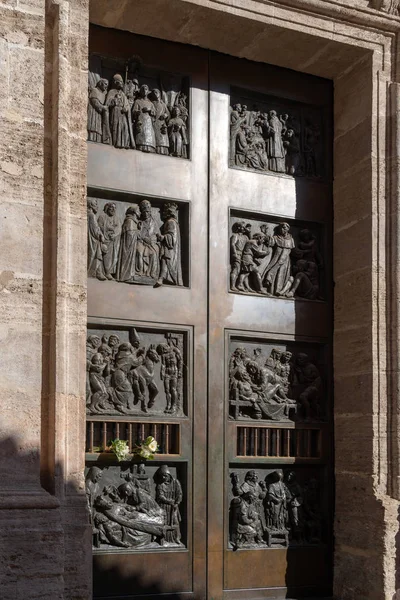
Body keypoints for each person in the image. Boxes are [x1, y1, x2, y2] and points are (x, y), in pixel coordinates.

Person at [263, 222, 295, 296]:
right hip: (276, 257)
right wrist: (265, 233)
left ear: (288, 229)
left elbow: (293, 250)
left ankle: (280, 291)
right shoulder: (276, 237)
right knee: (274, 271)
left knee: (282, 274)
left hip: (285, 260)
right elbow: (270, 242)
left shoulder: (291, 239)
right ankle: (271, 290)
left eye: (284, 227)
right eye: (281, 228)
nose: (282, 229)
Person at [155, 202, 182, 287]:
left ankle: (162, 278)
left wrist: (163, 237)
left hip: (170, 248)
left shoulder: (171, 222)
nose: (162, 214)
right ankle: (162, 277)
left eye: (164, 211)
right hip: (167, 247)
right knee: (164, 260)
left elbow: (172, 237)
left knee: (165, 260)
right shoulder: (171, 222)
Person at [155, 465, 183, 545]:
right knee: (164, 523)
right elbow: (160, 496)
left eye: (165, 475)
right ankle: (163, 539)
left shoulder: (175, 482)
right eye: (162, 476)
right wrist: (169, 501)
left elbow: (179, 494)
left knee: (175, 522)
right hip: (164, 507)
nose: (164, 477)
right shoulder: (160, 485)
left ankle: (176, 538)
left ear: (169, 475)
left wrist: (176, 503)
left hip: (173, 507)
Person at [106, 73, 135, 149]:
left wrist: (126, 108)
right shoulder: (111, 92)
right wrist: (115, 99)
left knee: (124, 127)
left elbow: (127, 105)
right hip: (115, 112)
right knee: (116, 127)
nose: (122, 84)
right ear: (115, 82)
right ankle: (116, 142)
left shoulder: (123, 94)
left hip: (123, 114)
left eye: (122, 82)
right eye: (120, 82)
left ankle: (124, 143)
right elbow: (107, 104)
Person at [116, 205, 141, 283]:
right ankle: (125, 276)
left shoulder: (133, 221)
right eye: (138, 210)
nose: (140, 212)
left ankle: (130, 275)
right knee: (127, 259)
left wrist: (138, 228)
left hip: (131, 244)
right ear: (134, 212)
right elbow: (130, 234)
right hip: (128, 246)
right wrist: (137, 231)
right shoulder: (129, 220)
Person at [136, 199, 160, 280]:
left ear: (150, 212)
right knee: (139, 252)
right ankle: (140, 271)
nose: (146, 213)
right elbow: (136, 233)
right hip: (141, 241)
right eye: (144, 212)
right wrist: (143, 238)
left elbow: (157, 234)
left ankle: (150, 272)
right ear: (142, 212)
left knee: (153, 253)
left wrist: (156, 238)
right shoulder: (139, 222)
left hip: (151, 243)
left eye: (147, 211)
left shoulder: (154, 223)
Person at [156, 341, 183, 414]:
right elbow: (163, 364)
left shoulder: (175, 350)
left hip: (174, 372)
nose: (162, 351)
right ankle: (168, 405)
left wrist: (180, 371)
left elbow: (180, 360)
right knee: (167, 390)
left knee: (173, 389)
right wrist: (162, 372)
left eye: (161, 350)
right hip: (167, 373)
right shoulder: (164, 355)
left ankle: (173, 406)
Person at [98, 202, 121, 280]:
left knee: (114, 257)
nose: (113, 209)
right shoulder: (102, 217)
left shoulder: (117, 218)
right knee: (106, 256)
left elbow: (119, 228)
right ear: (107, 208)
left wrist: (114, 234)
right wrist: (108, 228)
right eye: (111, 207)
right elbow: (99, 227)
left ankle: (111, 271)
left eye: (115, 208)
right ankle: (106, 272)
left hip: (114, 241)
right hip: (105, 240)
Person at [132, 84, 156, 152]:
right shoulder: (137, 101)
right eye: (142, 89)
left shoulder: (151, 103)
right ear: (140, 91)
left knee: (149, 136)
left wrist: (149, 110)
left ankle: (150, 147)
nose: (144, 91)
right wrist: (137, 112)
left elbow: (154, 114)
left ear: (148, 91)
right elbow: (133, 111)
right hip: (141, 121)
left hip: (148, 123)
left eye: (146, 89)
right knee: (141, 136)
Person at [87, 78, 111, 144]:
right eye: (105, 84)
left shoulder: (103, 94)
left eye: (107, 85)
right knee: (93, 127)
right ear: (100, 83)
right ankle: (91, 139)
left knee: (98, 129)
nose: (106, 86)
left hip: (99, 114)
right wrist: (103, 107)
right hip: (93, 113)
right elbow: (95, 102)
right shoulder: (95, 90)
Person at [87, 198, 105, 280]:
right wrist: (101, 235)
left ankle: (98, 272)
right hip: (93, 240)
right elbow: (95, 230)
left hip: (90, 239)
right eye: (95, 205)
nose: (97, 207)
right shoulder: (92, 215)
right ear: (91, 205)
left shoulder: (87, 214)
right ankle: (96, 272)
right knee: (97, 254)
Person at [152, 88, 170, 155]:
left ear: (159, 94)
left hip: (162, 124)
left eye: (156, 92)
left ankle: (164, 151)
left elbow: (168, 114)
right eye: (153, 93)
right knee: (156, 139)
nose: (155, 94)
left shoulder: (163, 104)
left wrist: (166, 115)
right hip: (155, 123)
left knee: (163, 140)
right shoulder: (152, 103)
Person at [230, 221, 248, 290]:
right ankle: (232, 286)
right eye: (242, 227)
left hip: (243, 256)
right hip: (237, 254)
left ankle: (241, 285)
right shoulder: (235, 235)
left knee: (244, 271)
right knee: (236, 269)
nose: (244, 229)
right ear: (239, 227)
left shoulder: (245, 237)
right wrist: (234, 253)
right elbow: (232, 244)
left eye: (244, 227)